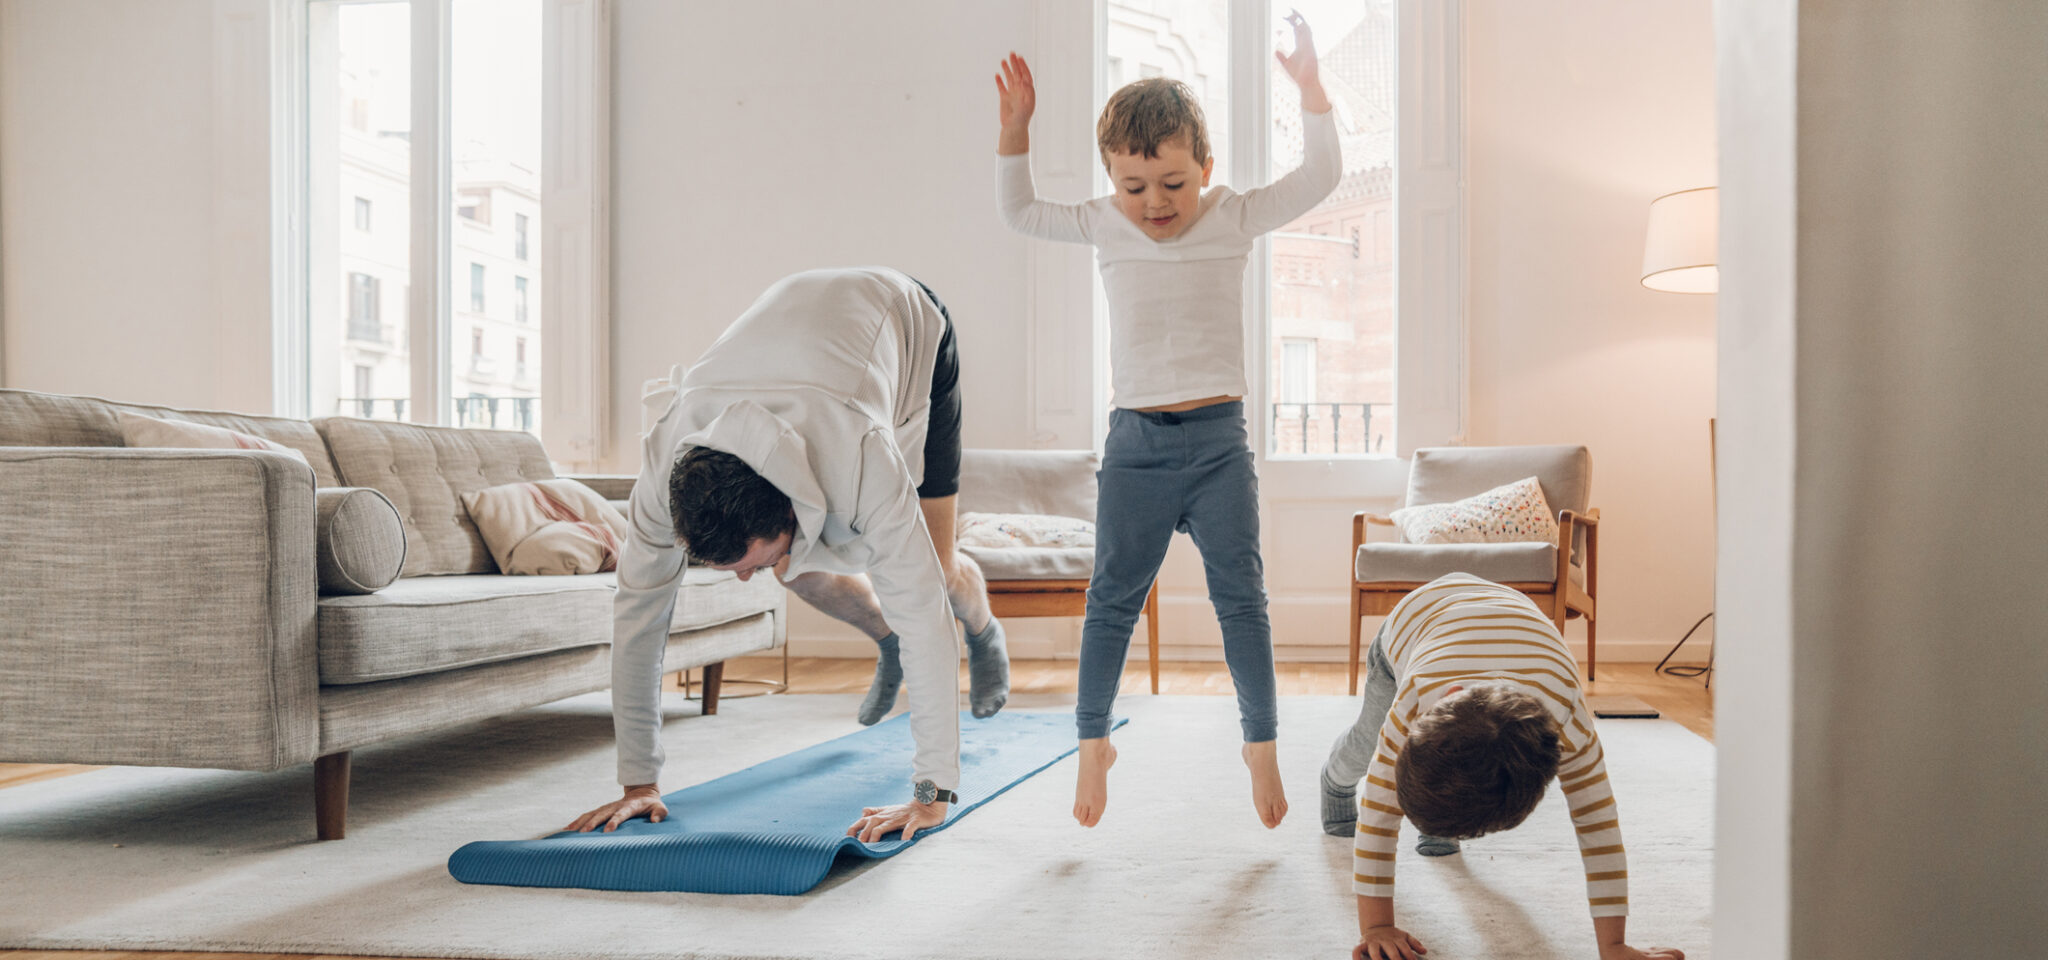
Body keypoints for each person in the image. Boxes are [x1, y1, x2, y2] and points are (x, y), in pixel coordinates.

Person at [991, 11, 1339, 829]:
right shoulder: (1102, 221)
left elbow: (1320, 178)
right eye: (1133, 187)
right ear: (1112, 181)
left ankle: (1260, 744)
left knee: (1241, 598)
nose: (1153, 204)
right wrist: (1015, 131)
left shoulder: (1233, 215)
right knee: (1111, 599)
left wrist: (1314, 94)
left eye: (1173, 186)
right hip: (1135, 446)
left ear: (1205, 169)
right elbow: (1019, 212)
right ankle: (1091, 745)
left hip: (1220, 443)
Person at [564, 266, 1011, 845]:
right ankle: (884, 637)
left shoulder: (862, 456)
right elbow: (637, 619)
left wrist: (931, 794)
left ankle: (984, 629)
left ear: (789, 513)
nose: (745, 580)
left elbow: (924, 614)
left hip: (908, 326)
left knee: (938, 571)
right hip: (799, 345)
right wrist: (638, 784)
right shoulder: (662, 467)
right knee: (794, 572)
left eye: (747, 562)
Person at [1321, 573, 1684, 960]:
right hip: (1413, 623)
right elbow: (1379, 811)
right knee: (1366, 743)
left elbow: (1599, 829)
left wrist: (1614, 946)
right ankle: (1335, 782)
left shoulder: (1570, 726)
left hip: (1501, 622)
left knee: (1459, 789)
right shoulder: (1416, 697)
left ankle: (1442, 827)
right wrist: (1377, 925)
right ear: (1448, 698)